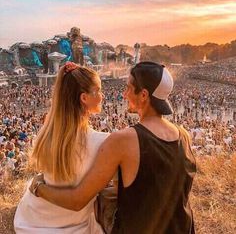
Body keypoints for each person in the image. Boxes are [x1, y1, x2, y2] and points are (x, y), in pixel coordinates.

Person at [31, 61, 196, 234]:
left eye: (129, 88)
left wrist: (37, 187)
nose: (124, 94)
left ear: (144, 95)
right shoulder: (183, 135)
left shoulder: (123, 140)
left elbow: (77, 200)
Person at [14, 62, 109, 233]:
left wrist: (37, 187)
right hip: (74, 227)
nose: (102, 96)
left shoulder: (48, 132)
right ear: (84, 98)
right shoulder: (102, 142)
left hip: (32, 220)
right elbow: (77, 201)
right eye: (98, 90)